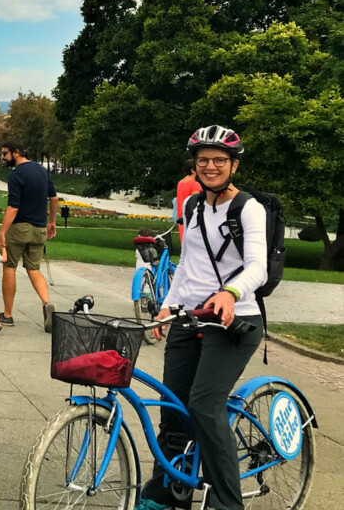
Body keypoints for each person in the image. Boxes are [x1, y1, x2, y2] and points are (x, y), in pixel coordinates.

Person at [137, 126, 267, 510]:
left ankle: (227, 504)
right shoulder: (193, 205)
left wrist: (230, 293)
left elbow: (257, 268)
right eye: (203, 159)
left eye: (219, 160)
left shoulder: (249, 208)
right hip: (189, 316)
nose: (210, 166)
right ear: (194, 164)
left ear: (234, 165)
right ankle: (167, 493)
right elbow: (187, 266)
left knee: (205, 406)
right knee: (173, 409)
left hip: (234, 319)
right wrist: (167, 306)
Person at [0, 141, 57, 332]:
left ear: (16, 153)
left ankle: (7, 315)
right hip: (39, 229)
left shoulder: (16, 174)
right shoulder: (41, 170)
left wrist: (2, 232)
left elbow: (13, 207)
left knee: (10, 266)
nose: (3, 157)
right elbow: (54, 198)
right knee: (34, 269)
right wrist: (52, 221)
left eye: (5, 154)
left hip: (19, 228)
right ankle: (46, 303)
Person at [175, 158, 202, 242]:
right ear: (193, 170)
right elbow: (195, 202)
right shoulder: (195, 184)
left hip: (181, 218)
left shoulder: (180, 183)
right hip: (191, 220)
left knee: (184, 244)